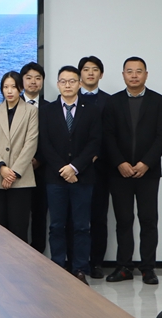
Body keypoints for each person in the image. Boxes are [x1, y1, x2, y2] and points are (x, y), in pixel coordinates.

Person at [104, 57, 162, 285]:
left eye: (138, 71)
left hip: (148, 173)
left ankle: (148, 268)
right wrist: (119, 162)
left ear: (146, 75)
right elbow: (108, 135)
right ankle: (124, 267)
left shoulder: (158, 101)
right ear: (123, 74)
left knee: (148, 220)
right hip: (119, 173)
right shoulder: (113, 102)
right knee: (123, 220)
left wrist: (146, 163)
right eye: (129, 71)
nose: (134, 75)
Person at [38, 66, 101, 285]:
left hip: (83, 177)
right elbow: (45, 144)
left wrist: (74, 168)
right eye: (63, 81)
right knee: (56, 225)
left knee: (82, 226)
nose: (67, 85)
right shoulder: (47, 110)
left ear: (80, 84)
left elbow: (94, 142)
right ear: (57, 84)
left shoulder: (91, 110)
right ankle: (57, 266)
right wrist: (64, 169)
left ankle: (80, 269)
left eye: (72, 81)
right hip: (55, 178)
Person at [0, 71, 38, 241]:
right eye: (5, 87)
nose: (9, 91)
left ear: (20, 88)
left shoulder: (31, 111)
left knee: (18, 228)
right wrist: (1, 168)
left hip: (21, 179)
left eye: (13, 86)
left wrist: (13, 173)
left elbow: (31, 143)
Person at [77, 55, 112, 279]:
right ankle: (76, 263)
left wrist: (97, 155)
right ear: (79, 74)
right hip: (74, 169)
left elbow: (112, 134)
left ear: (101, 74)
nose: (90, 73)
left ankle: (97, 262)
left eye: (95, 69)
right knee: (75, 219)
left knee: (98, 217)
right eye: (86, 69)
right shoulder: (69, 98)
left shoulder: (110, 101)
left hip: (100, 168)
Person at [20, 61, 49, 253]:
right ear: (21, 81)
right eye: (29, 78)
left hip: (42, 169)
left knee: (40, 214)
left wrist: (38, 159)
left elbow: (51, 139)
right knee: (19, 216)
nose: (33, 82)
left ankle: (39, 254)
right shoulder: (12, 105)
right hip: (17, 170)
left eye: (38, 78)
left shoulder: (50, 108)